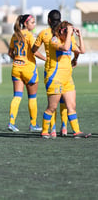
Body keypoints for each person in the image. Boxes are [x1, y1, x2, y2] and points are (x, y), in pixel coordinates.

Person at [41, 21, 91, 139]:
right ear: (60, 31)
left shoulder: (69, 40)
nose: (70, 34)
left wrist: (80, 36)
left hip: (67, 79)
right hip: (55, 78)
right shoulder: (54, 40)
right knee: (52, 107)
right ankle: (44, 131)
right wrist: (68, 33)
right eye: (66, 31)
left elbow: (81, 51)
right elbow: (64, 47)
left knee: (71, 106)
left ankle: (77, 131)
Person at [32, 9, 72, 138]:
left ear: (48, 20)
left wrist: (44, 58)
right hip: (65, 69)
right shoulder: (64, 33)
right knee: (64, 101)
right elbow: (75, 48)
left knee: (52, 102)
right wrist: (75, 59)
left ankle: (52, 129)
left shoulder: (44, 33)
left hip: (51, 71)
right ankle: (64, 127)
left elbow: (33, 50)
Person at [7, 14, 46, 133]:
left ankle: (11, 122)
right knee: (32, 97)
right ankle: (33, 124)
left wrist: (18, 59)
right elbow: (34, 52)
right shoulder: (29, 35)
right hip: (29, 69)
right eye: (32, 22)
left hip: (16, 68)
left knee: (17, 96)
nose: (34, 25)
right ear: (25, 24)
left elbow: (10, 53)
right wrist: (46, 59)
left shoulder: (14, 35)